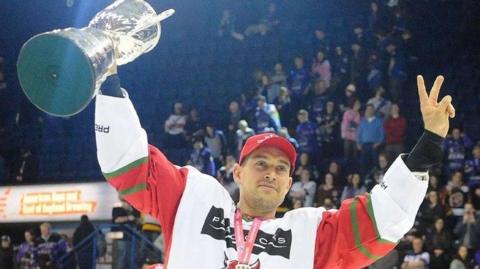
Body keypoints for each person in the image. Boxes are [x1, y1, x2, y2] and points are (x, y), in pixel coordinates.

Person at [96, 61, 455, 268]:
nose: (271, 172)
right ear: (237, 172)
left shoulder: (309, 233)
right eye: (261, 163)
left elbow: (381, 222)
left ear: (288, 185)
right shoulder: (195, 199)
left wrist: (428, 143)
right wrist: (108, 79)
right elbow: (131, 165)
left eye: (282, 169)